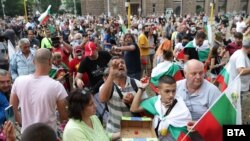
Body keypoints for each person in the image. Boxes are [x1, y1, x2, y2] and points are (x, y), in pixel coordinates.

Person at [10, 48, 68, 133]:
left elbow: (12, 109)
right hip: (48, 135)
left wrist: (23, 123)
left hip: (27, 134)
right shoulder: (57, 86)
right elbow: (63, 117)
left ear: (33, 62)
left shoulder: (18, 81)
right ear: (50, 61)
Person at [130, 75, 192, 141]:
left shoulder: (182, 109)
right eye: (167, 91)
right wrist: (141, 88)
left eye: (173, 91)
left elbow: (186, 134)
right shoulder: (155, 101)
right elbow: (134, 109)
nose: (171, 95)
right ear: (158, 91)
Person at [99, 57, 148, 133]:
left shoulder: (137, 84)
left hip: (134, 130)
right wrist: (111, 75)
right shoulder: (106, 86)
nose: (120, 65)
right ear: (110, 69)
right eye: (116, 65)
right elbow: (103, 99)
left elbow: (147, 107)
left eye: (122, 63)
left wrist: (133, 101)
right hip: (114, 131)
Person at [227, 39, 250, 124]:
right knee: (240, 110)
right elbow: (241, 71)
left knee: (238, 109)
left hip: (238, 87)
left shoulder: (238, 53)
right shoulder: (241, 55)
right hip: (240, 88)